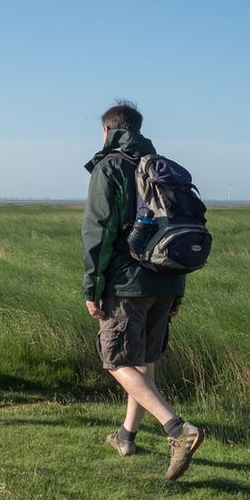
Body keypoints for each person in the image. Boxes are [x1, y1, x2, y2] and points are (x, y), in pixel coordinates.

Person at [82, 101, 203, 480]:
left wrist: (92, 286)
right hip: (167, 279)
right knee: (143, 361)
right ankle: (126, 435)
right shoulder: (163, 168)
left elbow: (97, 233)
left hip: (126, 282)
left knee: (116, 360)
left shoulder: (110, 166)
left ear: (107, 131)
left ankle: (177, 429)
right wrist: (177, 291)